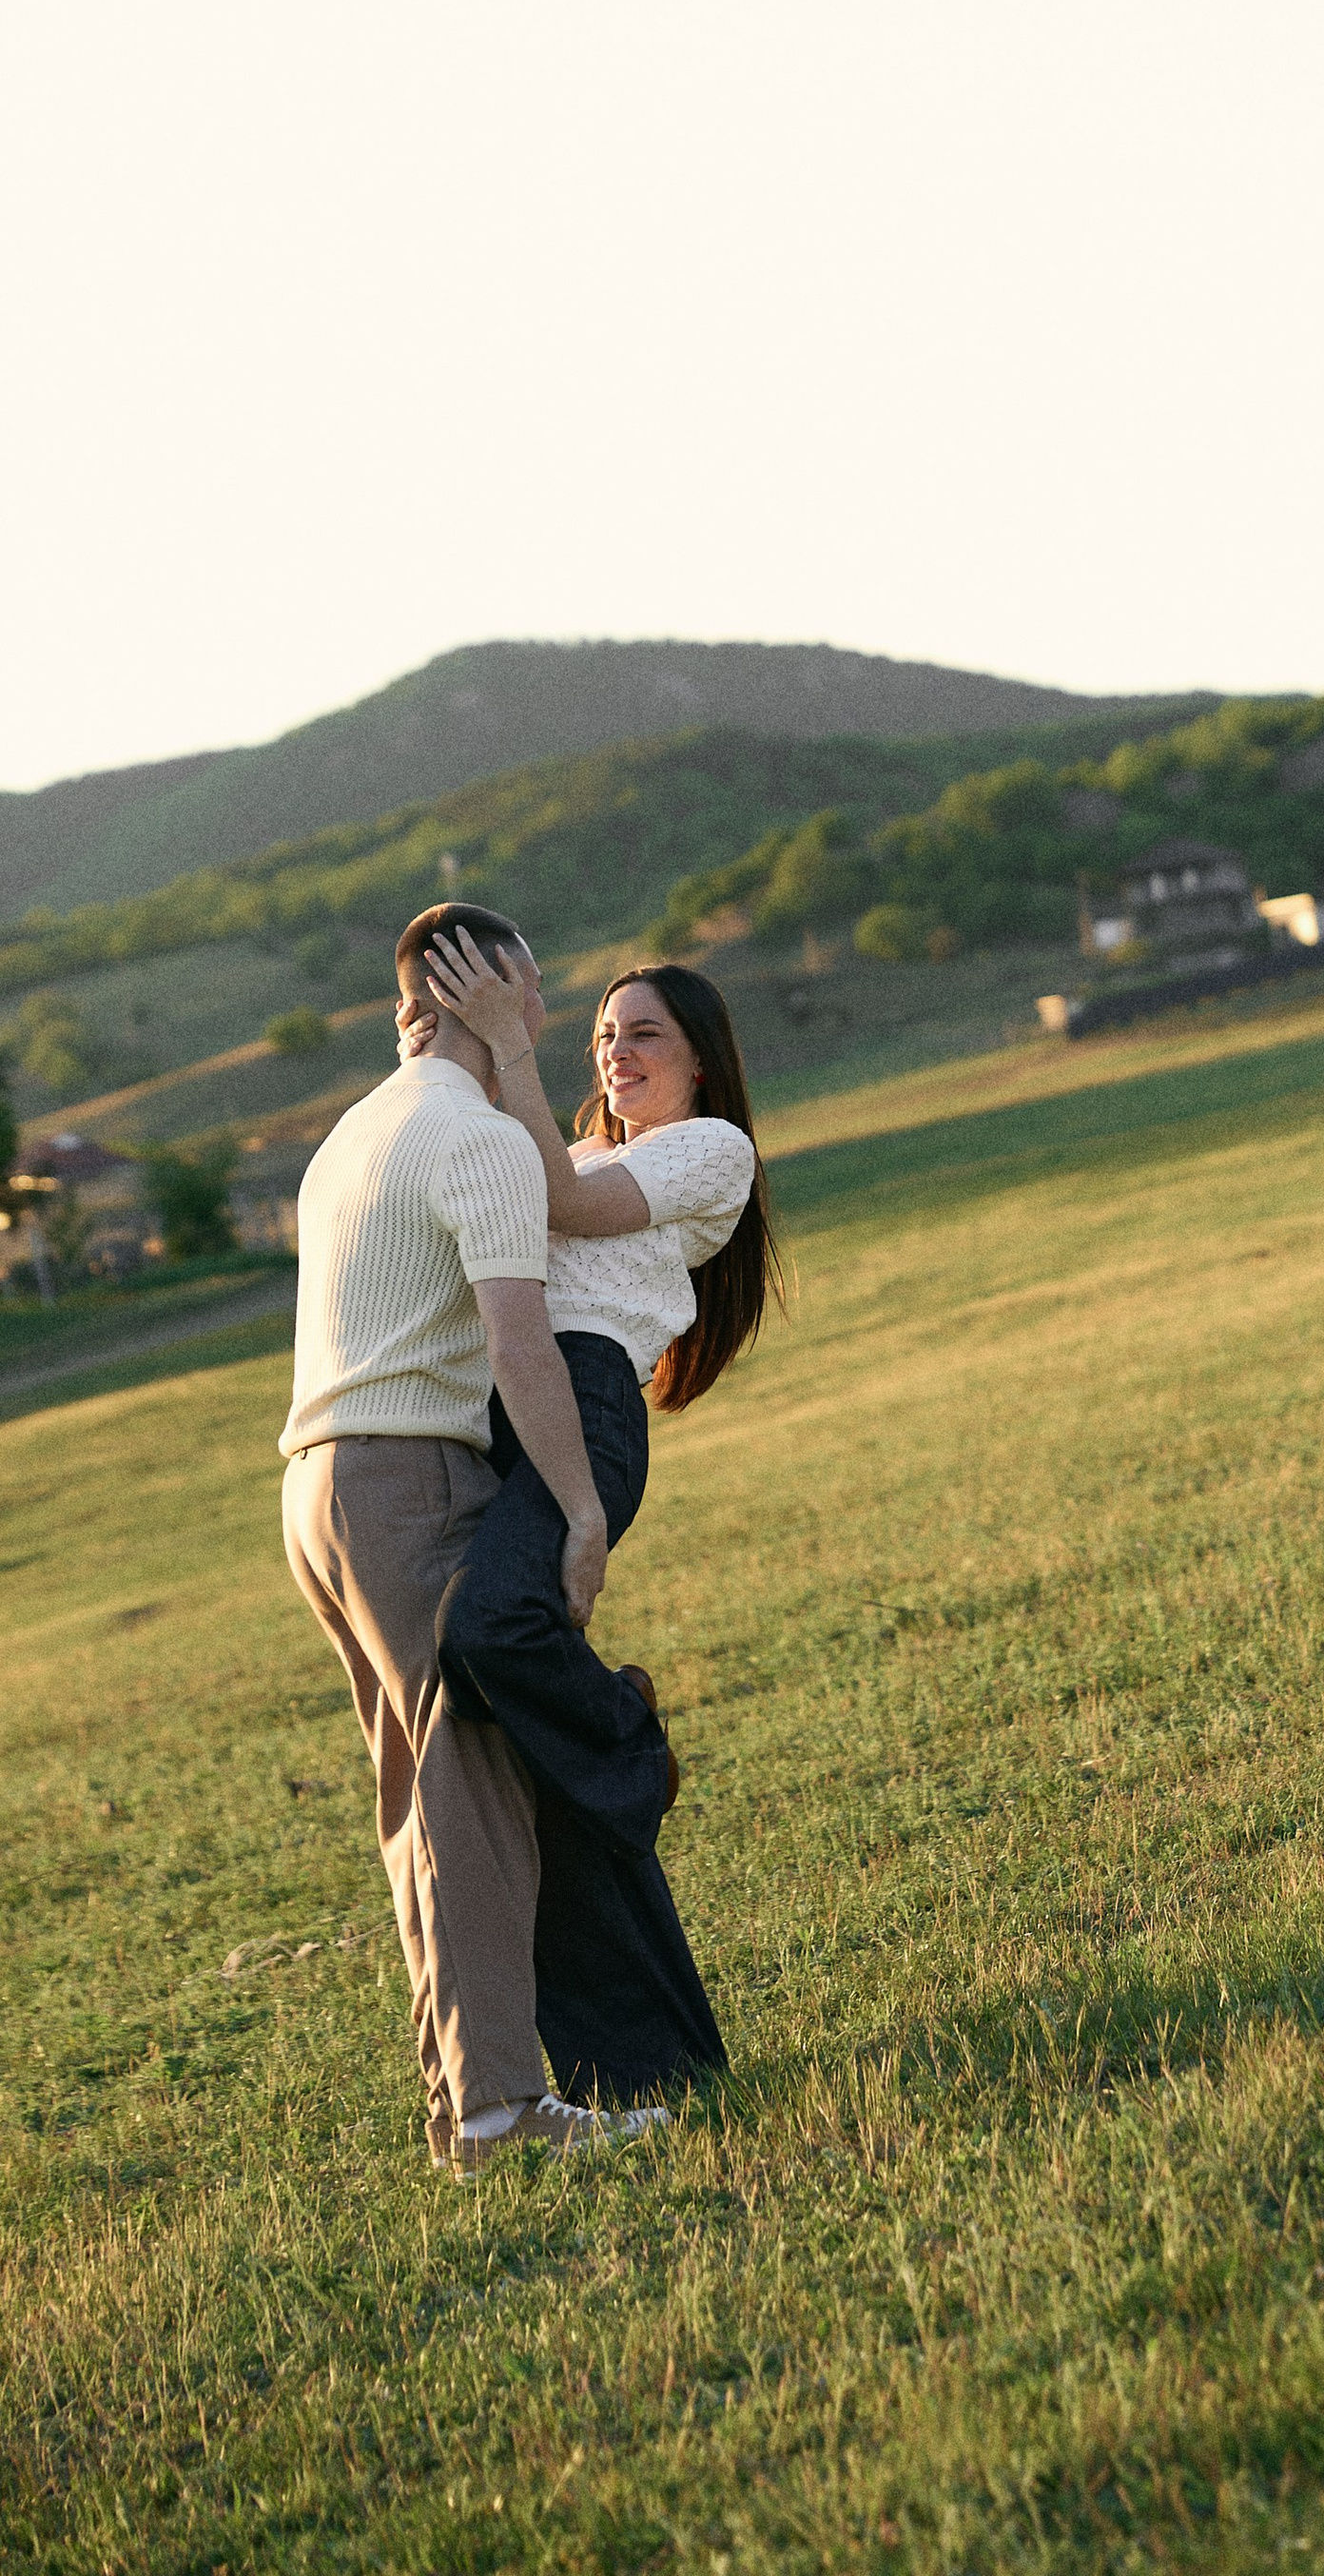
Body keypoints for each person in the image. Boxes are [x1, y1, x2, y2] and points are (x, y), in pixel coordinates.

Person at [279, 898, 664, 2175]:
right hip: (402, 1479)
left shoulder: (353, 1132)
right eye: (534, 988)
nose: (548, 1012)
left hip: (316, 1490)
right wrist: (583, 1507)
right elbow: (520, 1343)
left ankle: (472, 2105)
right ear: (483, 991)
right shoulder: (479, 1140)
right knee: (471, 1791)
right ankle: (500, 2113)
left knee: (419, 1792)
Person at [411, 934, 776, 2106]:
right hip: (510, 1418)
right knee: (524, 1762)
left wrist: (510, 1046)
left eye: (645, 1033)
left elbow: (557, 1205)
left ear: (701, 1061)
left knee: (487, 1635)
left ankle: (626, 1732)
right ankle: (644, 2065)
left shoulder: (709, 1151)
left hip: (589, 1411)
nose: (616, 1054)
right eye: (604, 1035)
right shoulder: (566, 1139)